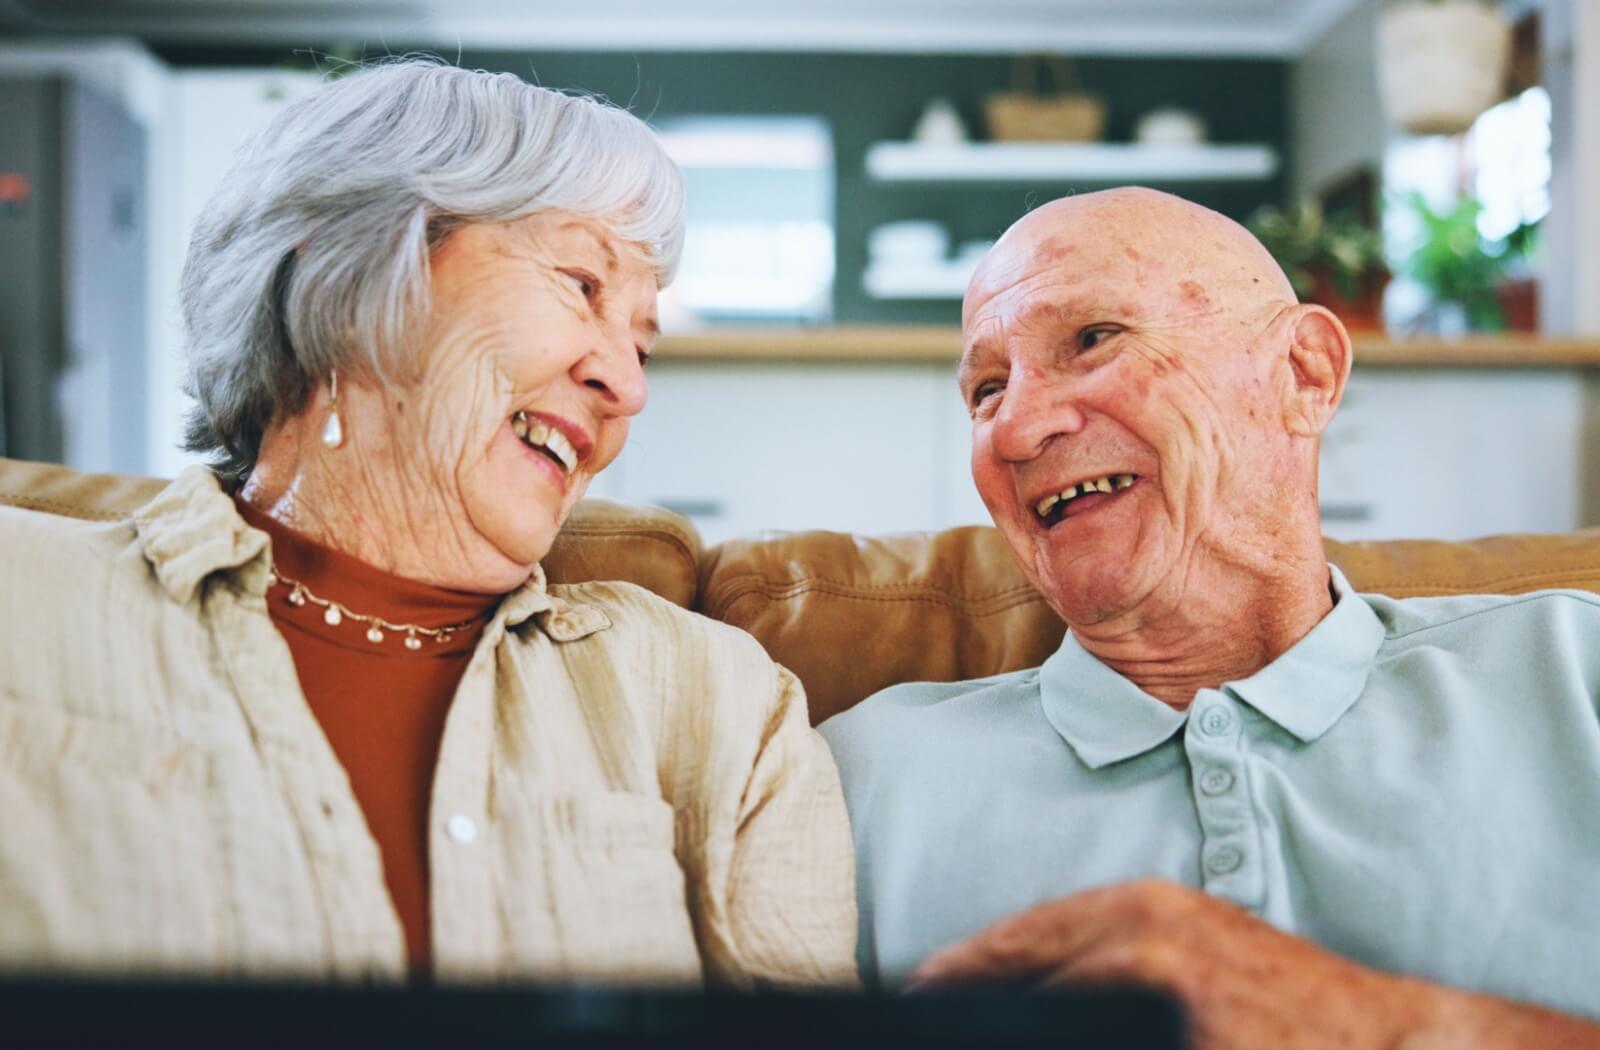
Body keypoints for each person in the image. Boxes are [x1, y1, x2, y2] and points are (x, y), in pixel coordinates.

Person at [0, 59, 855, 987]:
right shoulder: (24, 600)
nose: (631, 384)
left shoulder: (719, 703)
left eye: (643, 342)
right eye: (581, 284)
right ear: (347, 276)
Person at [820, 187, 1600, 1046]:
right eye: (986, 390)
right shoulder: (859, 773)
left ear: (1305, 374)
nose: (1015, 430)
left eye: (1092, 339)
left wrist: (1386, 1026)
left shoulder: (1575, 669)